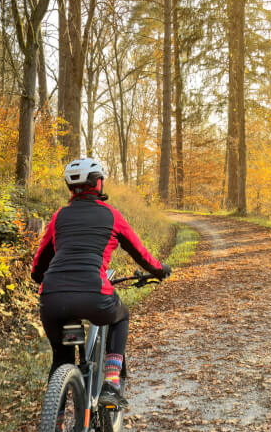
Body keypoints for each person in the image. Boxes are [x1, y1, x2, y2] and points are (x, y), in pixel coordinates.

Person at [31, 157, 170, 405]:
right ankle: (112, 383)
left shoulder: (58, 217)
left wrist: (45, 281)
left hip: (52, 298)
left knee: (61, 358)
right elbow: (141, 254)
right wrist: (159, 270)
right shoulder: (112, 216)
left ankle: (56, 426)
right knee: (121, 315)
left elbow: (39, 263)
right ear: (98, 183)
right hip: (94, 295)